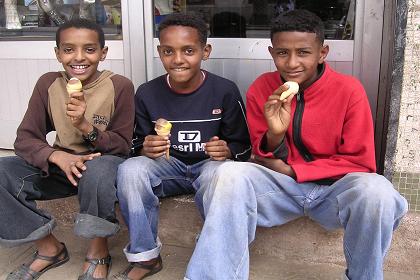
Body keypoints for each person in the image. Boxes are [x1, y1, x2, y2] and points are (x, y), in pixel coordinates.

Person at [185, 9, 408, 280]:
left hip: (332, 193)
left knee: (377, 191)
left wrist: (294, 170)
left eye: (303, 52)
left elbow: (360, 163)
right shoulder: (262, 88)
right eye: (282, 53)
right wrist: (275, 134)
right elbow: (260, 155)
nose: (291, 63)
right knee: (227, 174)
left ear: (322, 53)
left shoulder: (349, 91)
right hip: (280, 192)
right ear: (271, 52)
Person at [113, 13, 251, 280]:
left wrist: (228, 150)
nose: (178, 59)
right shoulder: (147, 93)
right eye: (168, 51)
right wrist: (145, 148)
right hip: (169, 169)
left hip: (209, 169)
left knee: (222, 174)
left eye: (188, 50)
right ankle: (146, 256)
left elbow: (243, 146)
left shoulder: (224, 90)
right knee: (130, 170)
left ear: (205, 51)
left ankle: (213, 250)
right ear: (159, 52)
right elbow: (135, 144)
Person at [0, 18, 135, 280]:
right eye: (69, 49)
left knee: (99, 170)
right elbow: (26, 138)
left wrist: (86, 127)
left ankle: (97, 249)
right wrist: (56, 155)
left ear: (103, 53)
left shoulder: (119, 86)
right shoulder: (49, 84)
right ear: (58, 53)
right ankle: (49, 248)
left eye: (90, 49)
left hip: (102, 166)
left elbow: (121, 143)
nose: (79, 57)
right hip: (62, 166)